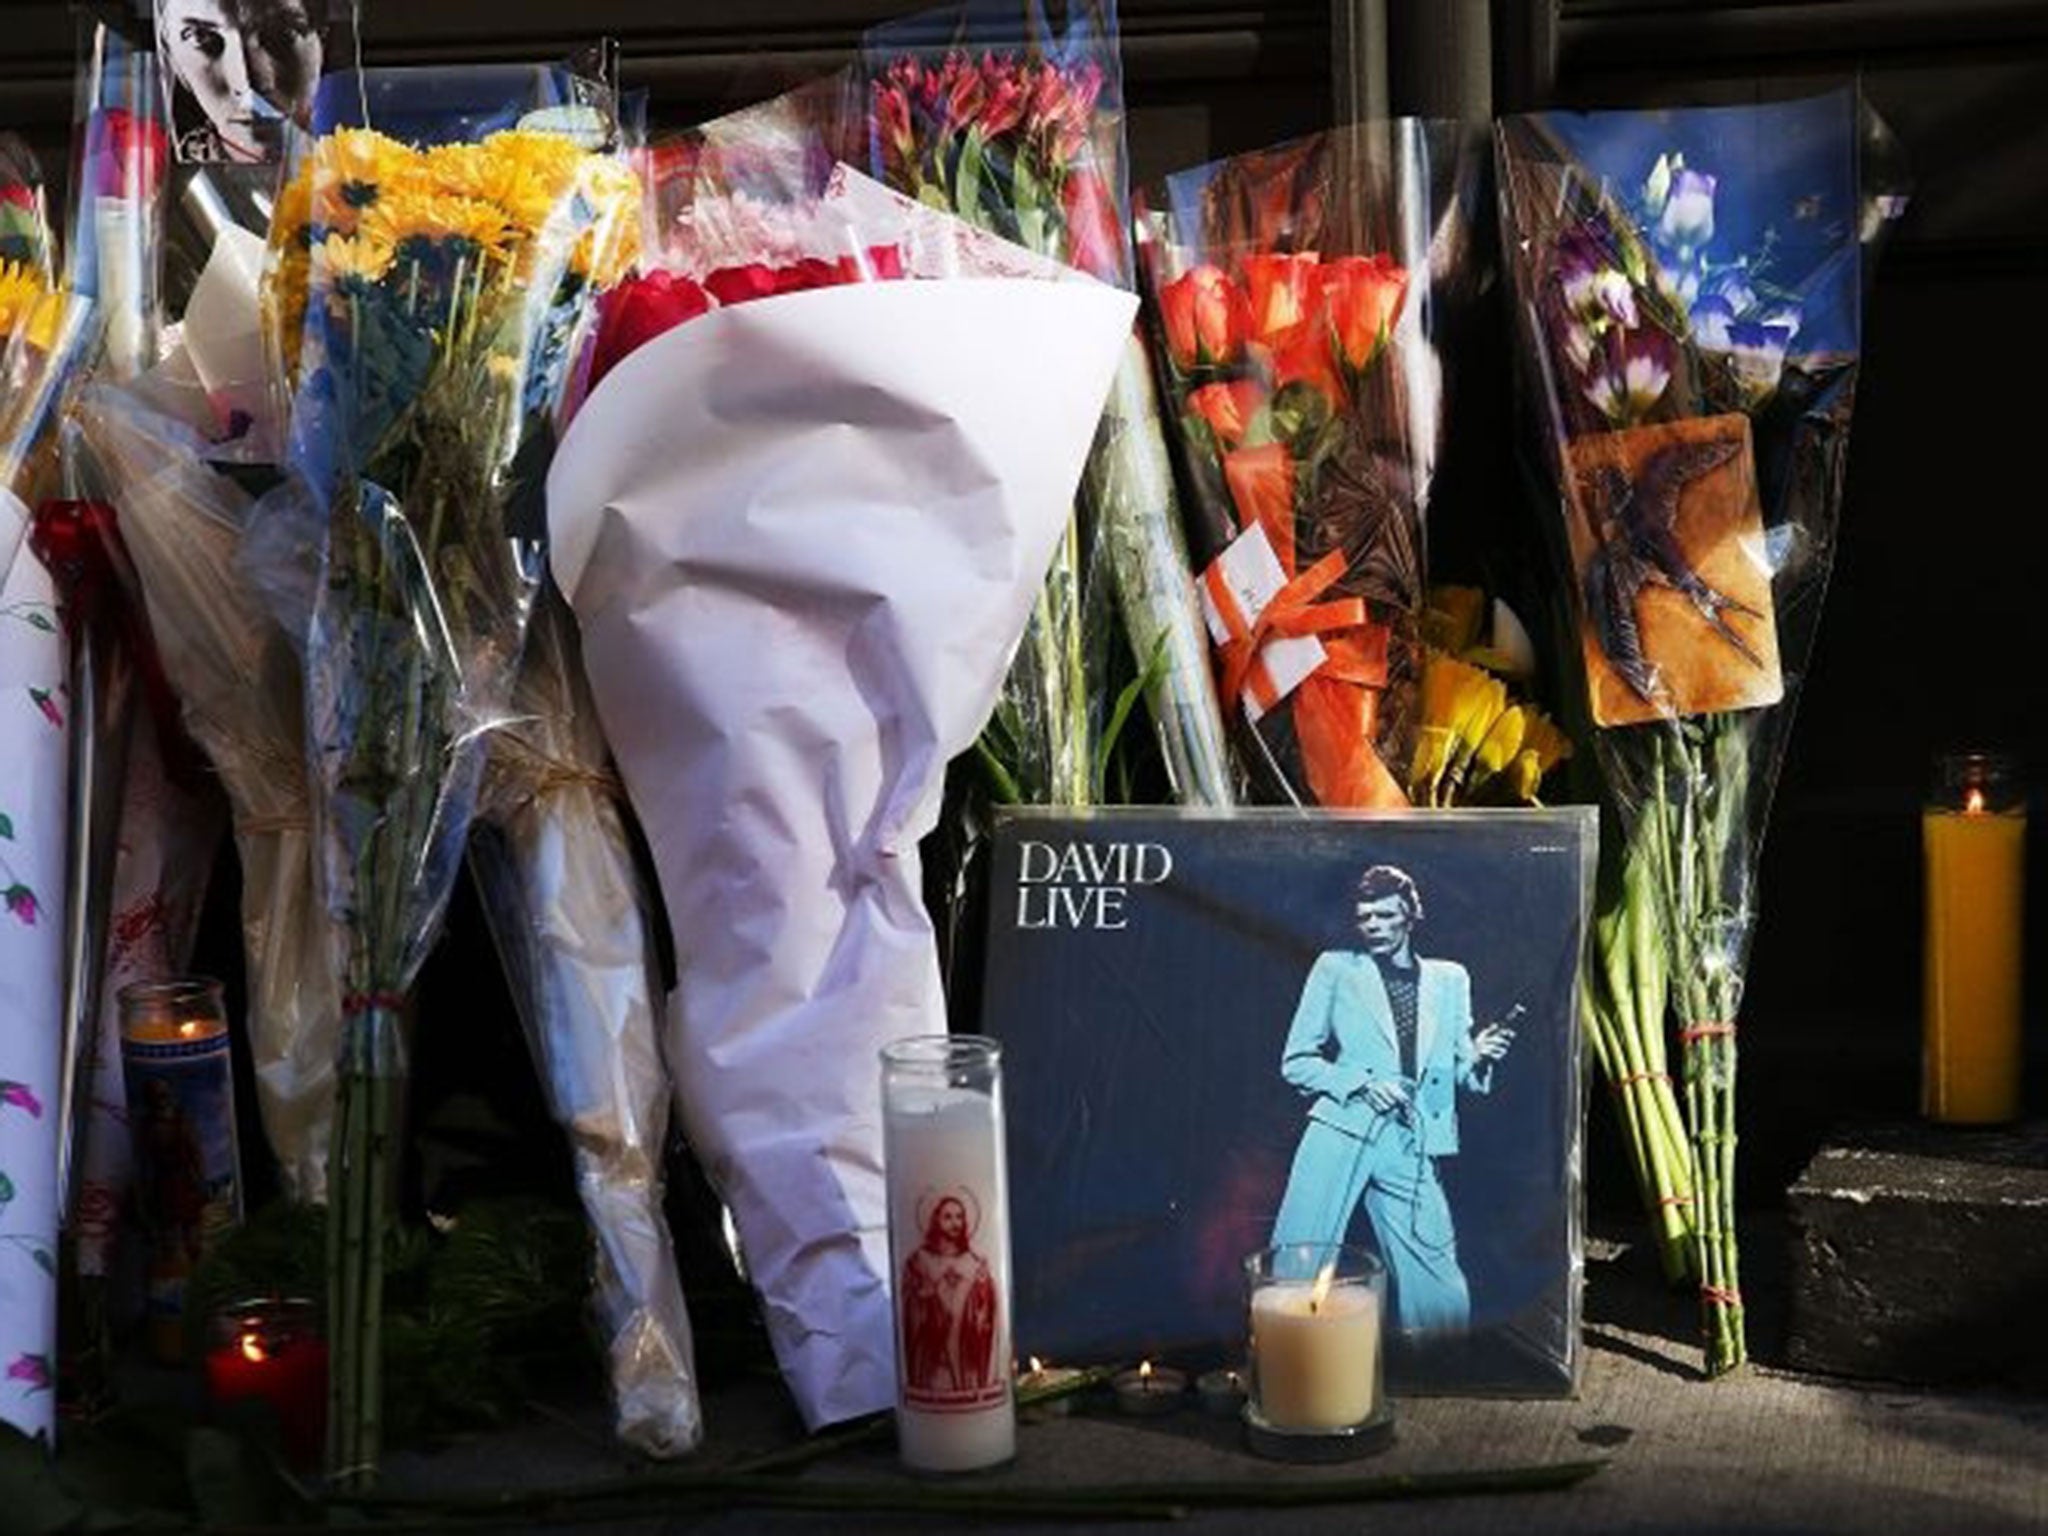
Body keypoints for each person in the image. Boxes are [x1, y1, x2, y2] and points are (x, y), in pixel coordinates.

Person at [1270, 864, 1516, 1336]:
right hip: (1340, 1130)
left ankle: (1444, 1365)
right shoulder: (1336, 968)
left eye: (1385, 915)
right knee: (1299, 1258)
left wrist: (1480, 1056)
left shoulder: (1450, 979)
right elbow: (1296, 1061)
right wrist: (1362, 1082)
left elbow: (1456, 1074)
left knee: (1436, 1271)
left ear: (1410, 915)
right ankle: (1281, 1364)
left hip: (1410, 1137)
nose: (1374, 926)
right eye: (1365, 918)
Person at [156, 0, 325, 164]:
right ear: (171, 57)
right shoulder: (156, 175)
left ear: (322, 42)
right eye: (201, 37)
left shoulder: (345, 167)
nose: (246, 84)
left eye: (283, 34)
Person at [899, 1194, 999, 1397]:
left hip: (964, 1354)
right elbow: (908, 1305)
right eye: (948, 1217)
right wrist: (922, 1297)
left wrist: (983, 1287)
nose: (955, 1223)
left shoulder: (975, 1261)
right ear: (936, 1220)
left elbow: (987, 1311)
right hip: (933, 1357)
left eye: (959, 1217)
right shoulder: (919, 1261)